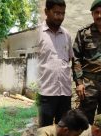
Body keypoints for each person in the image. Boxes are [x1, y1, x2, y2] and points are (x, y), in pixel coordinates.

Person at [37, 0, 73, 128]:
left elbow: (69, 59)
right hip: (46, 93)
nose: (60, 17)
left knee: (63, 130)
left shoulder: (66, 34)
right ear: (46, 11)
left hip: (65, 92)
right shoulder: (38, 33)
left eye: (62, 13)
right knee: (44, 130)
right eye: (56, 13)